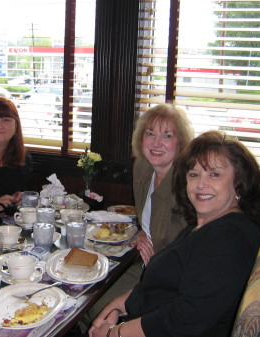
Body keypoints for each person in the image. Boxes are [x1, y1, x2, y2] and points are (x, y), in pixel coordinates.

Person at [89, 130, 260, 337]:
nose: (201, 184)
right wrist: (118, 306)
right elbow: (162, 287)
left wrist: (115, 333)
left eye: (214, 174)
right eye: (194, 174)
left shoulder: (228, 240)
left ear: (238, 183)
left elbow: (187, 319)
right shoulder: (205, 227)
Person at [80, 104, 195, 331]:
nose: (156, 142)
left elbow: (188, 248)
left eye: (167, 136)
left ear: (180, 143)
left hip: (170, 278)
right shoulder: (143, 167)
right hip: (143, 262)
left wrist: (160, 262)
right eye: (150, 133)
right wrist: (144, 230)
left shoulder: (187, 185)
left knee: (96, 307)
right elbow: (153, 218)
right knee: (86, 296)